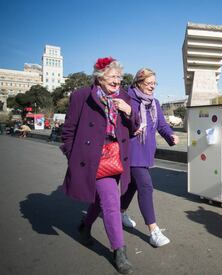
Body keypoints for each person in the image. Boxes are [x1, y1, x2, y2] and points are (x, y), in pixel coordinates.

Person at [60, 57, 137, 274]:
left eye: (119, 77)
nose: (117, 81)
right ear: (100, 77)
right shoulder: (81, 96)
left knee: (101, 198)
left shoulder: (123, 97)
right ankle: (119, 252)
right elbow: (69, 130)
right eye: (113, 76)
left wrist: (129, 111)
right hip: (91, 156)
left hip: (114, 156)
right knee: (111, 201)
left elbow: (134, 126)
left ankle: (85, 225)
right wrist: (73, 155)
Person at [120, 68, 179, 247]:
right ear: (138, 82)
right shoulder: (126, 98)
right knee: (145, 185)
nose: (152, 87)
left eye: (154, 83)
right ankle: (153, 230)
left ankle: (119, 212)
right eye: (148, 83)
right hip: (131, 150)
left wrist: (171, 135)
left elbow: (161, 124)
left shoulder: (155, 102)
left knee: (132, 186)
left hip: (146, 151)